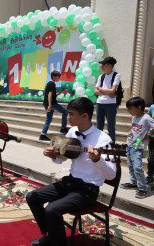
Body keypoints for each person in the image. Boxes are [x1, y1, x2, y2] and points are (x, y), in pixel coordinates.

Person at [26, 97, 116, 246]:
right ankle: (50, 234)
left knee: (51, 210)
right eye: (68, 113)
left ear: (85, 116)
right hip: (70, 183)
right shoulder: (72, 131)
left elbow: (111, 175)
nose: (67, 117)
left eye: (71, 114)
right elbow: (63, 158)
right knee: (32, 196)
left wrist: (97, 160)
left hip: (87, 190)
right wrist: (53, 155)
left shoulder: (103, 140)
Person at [120, 97, 154, 198]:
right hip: (130, 145)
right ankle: (134, 182)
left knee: (138, 167)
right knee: (131, 166)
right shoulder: (134, 118)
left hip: (137, 147)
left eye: (130, 108)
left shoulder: (146, 118)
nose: (129, 111)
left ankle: (143, 188)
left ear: (139, 108)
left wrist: (147, 136)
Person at [94, 56, 121, 143]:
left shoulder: (116, 75)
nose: (102, 67)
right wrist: (108, 92)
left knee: (110, 126)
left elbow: (113, 90)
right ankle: (99, 144)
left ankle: (112, 145)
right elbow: (95, 91)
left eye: (104, 65)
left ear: (110, 66)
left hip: (111, 104)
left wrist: (101, 90)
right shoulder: (101, 76)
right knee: (99, 126)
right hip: (99, 103)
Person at [39, 70, 68, 141]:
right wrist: (50, 105)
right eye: (58, 77)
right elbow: (50, 94)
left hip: (47, 104)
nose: (59, 79)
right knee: (65, 111)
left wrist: (61, 92)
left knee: (48, 119)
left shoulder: (49, 83)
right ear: (54, 77)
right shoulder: (52, 84)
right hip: (52, 104)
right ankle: (63, 128)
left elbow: (53, 95)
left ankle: (42, 135)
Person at [147, 102, 154, 185]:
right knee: (151, 157)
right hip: (152, 137)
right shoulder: (152, 107)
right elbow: (149, 115)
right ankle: (150, 176)